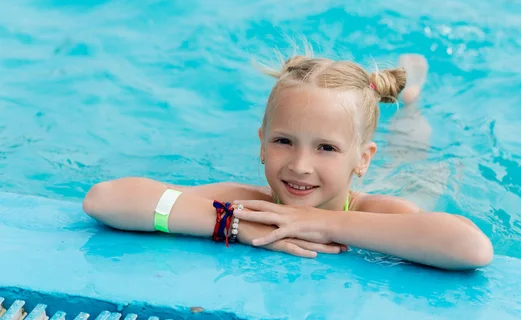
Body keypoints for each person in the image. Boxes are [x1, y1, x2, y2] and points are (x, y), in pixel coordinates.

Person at [83, 53, 493, 270]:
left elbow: (471, 248)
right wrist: (235, 224)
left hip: (385, 189)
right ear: (262, 145)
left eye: (326, 148)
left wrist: (316, 222)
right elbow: (105, 199)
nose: (299, 165)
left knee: (412, 162)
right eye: (284, 141)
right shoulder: (244, 203)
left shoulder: (384, 211)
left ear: (360, 159)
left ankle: (411, 105)